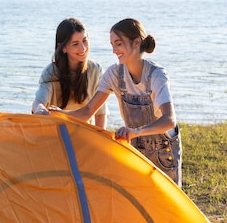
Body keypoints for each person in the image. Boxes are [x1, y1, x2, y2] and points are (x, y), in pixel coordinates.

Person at [49, 18, 182, 186]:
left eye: (118, 44)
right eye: (112, 44)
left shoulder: (157, 75)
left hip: (164, 152)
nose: (114, 50)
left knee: (167, 208)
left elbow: (169, 120)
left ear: (136, 43)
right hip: (137, 149)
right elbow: (88, 111)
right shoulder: (113, 74)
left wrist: (135, 131)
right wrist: (62, 115)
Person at [32, 17, 108, 129]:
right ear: (63, 48)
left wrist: (101, 140)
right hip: (57, 133)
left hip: (86, 135)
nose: (83, 48)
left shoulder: (96, 70)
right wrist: (40, 109)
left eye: (84, 40)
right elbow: (39, 101)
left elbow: (100, 113)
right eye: (75, 44)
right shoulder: (51, 72)